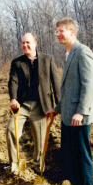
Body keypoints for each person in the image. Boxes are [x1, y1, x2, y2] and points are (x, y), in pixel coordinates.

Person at [46, 18, 93, 185]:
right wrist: (58, 108)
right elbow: (69, 89)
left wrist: (81, 112)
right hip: (68, 116)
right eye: (57, 31)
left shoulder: (83, 52)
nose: (57, 34)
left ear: (72, 32)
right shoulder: (70, 54)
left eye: (61, 31)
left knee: (82, 156)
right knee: (70, 156)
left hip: (79, 118)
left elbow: (89, 84)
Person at [6, 33, 60, 172]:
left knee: (41, 140)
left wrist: (58, 106)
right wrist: (13, 99)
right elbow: (13, 81)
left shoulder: (48, 60)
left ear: (35, 43)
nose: (25, 45)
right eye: (23, 43)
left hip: (41, 106)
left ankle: (38, 167)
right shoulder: (17, 62)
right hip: (21, 105)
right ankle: (14, 164)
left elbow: (56, 83)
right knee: (11, 129)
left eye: (28, 42)